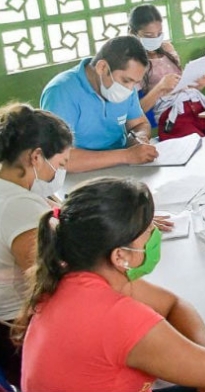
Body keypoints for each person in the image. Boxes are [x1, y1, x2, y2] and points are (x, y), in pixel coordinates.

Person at [15, 177, 205, 391]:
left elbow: (173, 303)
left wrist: (203, 356)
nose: (155, 236)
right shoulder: (115, 315)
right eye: (148, 231)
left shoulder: (75, 275)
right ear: (120, 255)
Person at [0, 104, 72, 388]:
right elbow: (48, 278)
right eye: (61, 164)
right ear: (36, 157)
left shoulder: (12, 186)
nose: (60, 173)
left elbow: (57, 210)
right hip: (18, 332)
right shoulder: (18, 205)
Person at [40, 36, 159, 172]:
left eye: (135, 83)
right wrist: (126, 155)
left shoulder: (125, 89)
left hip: (122, 168)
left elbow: (140, 124)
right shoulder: (61, 92)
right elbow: (59, 157)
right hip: (77, 176)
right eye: (126, 80)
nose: (130, 89)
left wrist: (139, 137)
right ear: (102, 67)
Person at [130, 4, 205, 139]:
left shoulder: (167, 49)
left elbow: (182, 88)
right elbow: (135, 111)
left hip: (197, 106)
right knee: (199, 143)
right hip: (172, 116)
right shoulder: (132, 63)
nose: (155, 39)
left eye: (159, 34)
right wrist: (160, 88)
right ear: (133, 33)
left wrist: (200, 84)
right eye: (148, 35)